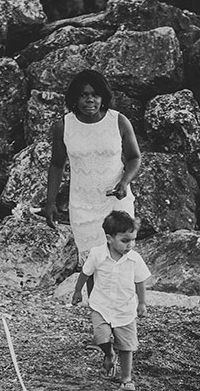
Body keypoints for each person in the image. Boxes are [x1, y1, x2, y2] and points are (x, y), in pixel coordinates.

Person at [44, 69, 142, 286]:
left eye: (95, 94)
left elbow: (134, 158)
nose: (90, 99)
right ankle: (97, 312)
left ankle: (124, 311)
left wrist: (124, 182)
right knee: (91, 263)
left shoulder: (118, 121)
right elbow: (57, 164)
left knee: (121, 257)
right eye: (83, 94)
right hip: (83, 204)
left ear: (103, 97)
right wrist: (50, 203)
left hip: (117, 202)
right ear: (74, 98)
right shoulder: (64, 125)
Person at [71, 211, 150, 391]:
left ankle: (126, 378)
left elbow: (140, 281)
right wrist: (77, 291)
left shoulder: (135, 259)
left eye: (133, 240)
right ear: (109, 238)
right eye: (125, 240)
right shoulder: (97, 254)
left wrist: (142, 303)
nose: (130, 245)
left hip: (125, 308)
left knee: (127, 345)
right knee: (101, 337)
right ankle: (108, 353)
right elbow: (86, 273)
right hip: (101, 305)